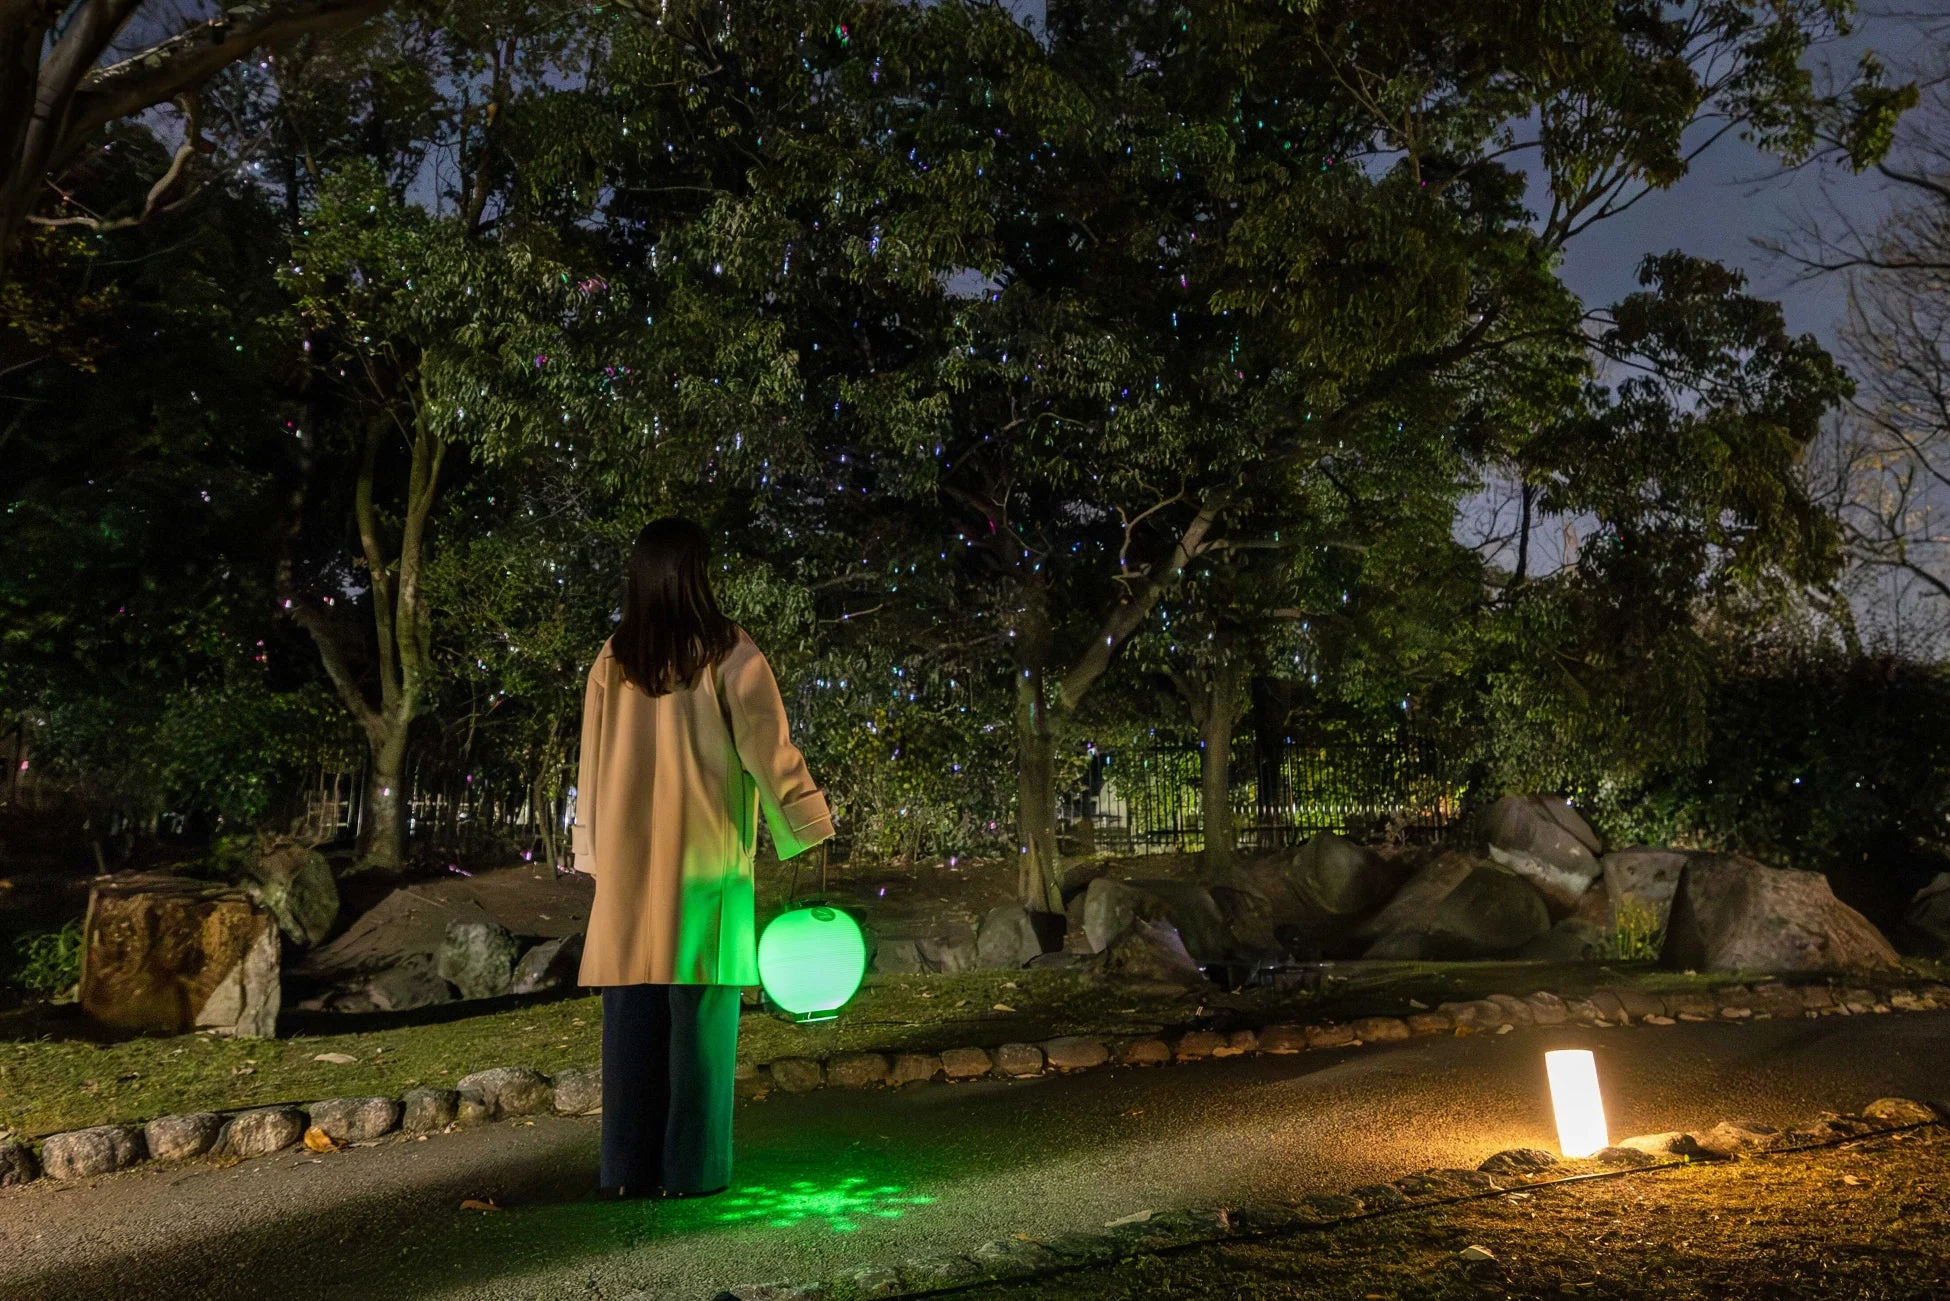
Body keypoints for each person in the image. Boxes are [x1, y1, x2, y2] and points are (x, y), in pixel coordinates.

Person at [571, 517, 834, 1199]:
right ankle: (692, 1171)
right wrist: (806, 820)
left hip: (631, 873)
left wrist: (591, 850)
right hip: (705, 866)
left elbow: (592, 765)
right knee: (701, 1027)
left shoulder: (613, 659)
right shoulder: (730, 652)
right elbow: (768, 751)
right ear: (698, 573)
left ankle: (626, 1170)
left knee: (630, 1023)